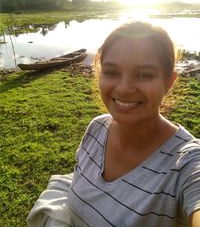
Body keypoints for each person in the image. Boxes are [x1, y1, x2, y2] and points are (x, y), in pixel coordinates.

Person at [27, 21, 200, 227]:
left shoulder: (186, 163)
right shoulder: (97, 128)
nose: (124, 88)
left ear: (168, 82)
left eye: (144, 75)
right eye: (111, 72)